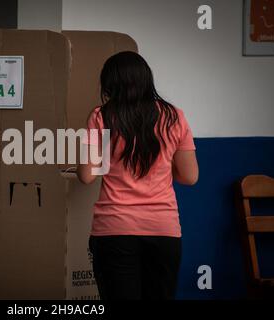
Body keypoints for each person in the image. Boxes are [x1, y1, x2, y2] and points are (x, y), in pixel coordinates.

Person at [77, 51, 199, 300]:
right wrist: (163, 163)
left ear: (110, 83)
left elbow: (87, 176)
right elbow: (189, 176)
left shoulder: (101, 116)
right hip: (164, 230)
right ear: (146, 79)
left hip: (115, 229)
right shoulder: (174, 116)